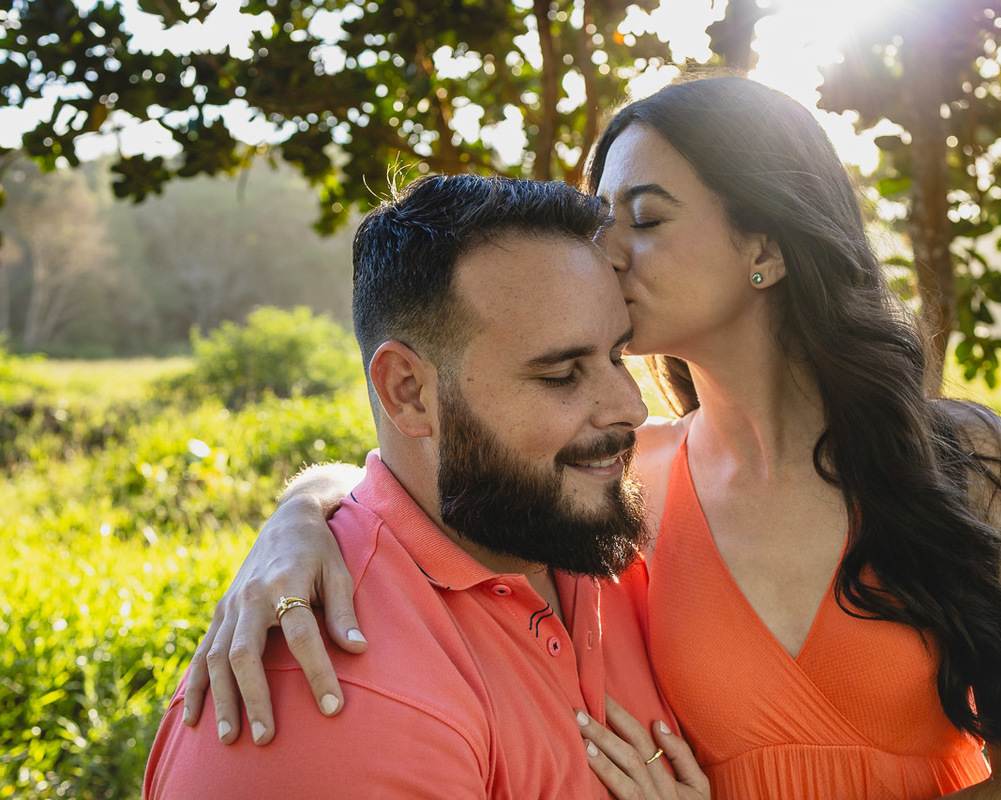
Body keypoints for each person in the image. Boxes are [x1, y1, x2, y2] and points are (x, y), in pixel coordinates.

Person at [182, 77, 1001, 798]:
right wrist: (300, 513)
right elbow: (436, 461)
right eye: (602, 218)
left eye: (646, 219)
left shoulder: (958, 455)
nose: (607, 252)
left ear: (766, 246)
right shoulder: (629, 481)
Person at [143, 174, 710, 799]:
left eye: (617, 358)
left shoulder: (583, 528)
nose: (629, 406)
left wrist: (303, 501)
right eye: (560, 374)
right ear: (409, 393)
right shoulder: (329, 702)